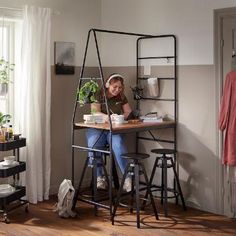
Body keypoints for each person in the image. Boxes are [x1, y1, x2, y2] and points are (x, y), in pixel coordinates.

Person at [86, 73, 132, 191]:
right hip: (98, 128)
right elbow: (95, 112)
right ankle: (100, 177)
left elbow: (128, 111)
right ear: (107, 85)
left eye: (120, 87)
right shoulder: (98, 95)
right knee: (94, 144)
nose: (117, 90)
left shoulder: (121, 96)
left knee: (118, 144)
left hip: (114, 129)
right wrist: (108, 117)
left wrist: (121, 117)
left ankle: (127, 178)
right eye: (115, 87)